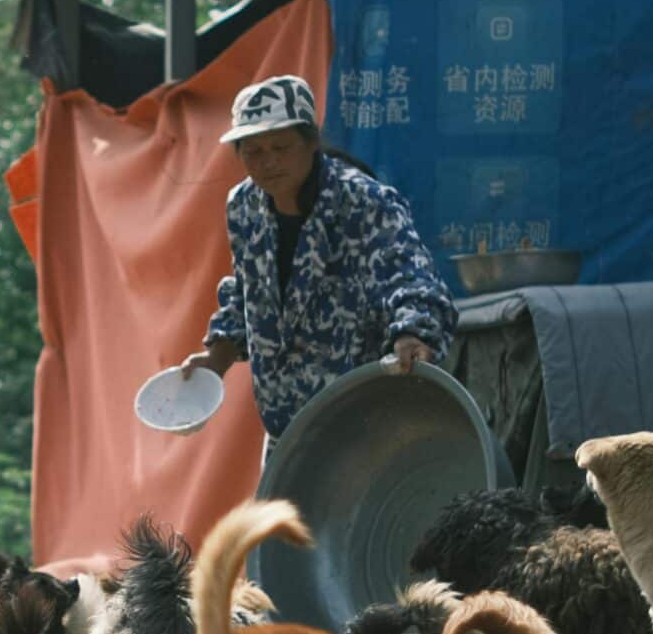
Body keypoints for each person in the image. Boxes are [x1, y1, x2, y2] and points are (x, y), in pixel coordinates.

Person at [179, 74, 455, 443]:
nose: (269, 163)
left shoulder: (365, 202)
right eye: (254, 151)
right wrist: (215, 359)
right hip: (286, 432)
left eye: (281, 147)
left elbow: (412, 277)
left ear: (311, 143)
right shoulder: (244, 207)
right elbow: (247, 295)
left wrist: (413, 333)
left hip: (364, 427)